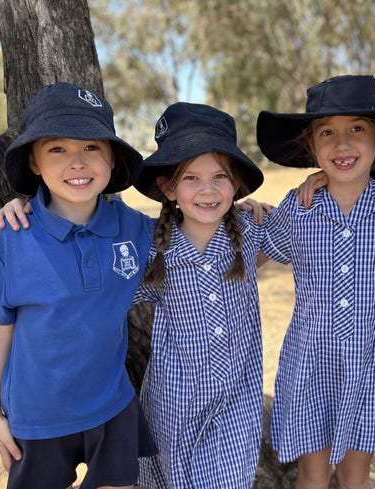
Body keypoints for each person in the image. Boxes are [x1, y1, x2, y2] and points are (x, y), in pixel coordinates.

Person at [0, 82, 157, 489]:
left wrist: (247, 212)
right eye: (57, 150)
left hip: (112, 407)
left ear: (112, 159)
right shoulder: (13, 234)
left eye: (91, 148)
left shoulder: (134, 228)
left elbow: (200, 241)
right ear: (35, 162)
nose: (76, 163)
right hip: (36, 418)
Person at [256, 74, 375, 489]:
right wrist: (234, 212)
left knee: (356, 474)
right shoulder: (298, 208)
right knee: (313, 474)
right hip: (312, 363)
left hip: (373, 362)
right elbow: (247, 259)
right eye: (327, 133)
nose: (342, 143)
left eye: (357, 129)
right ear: (311, 147)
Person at [130, 102, 266, 488]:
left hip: (235, 402)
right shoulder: (152, 250)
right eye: (190, 178)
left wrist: (324, 182)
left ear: (236, 183)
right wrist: (26, 207)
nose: (207, 190)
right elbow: (100, 295)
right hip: (175, 402)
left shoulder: (253, 231)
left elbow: (310, 220)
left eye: (220, 176)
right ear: (167, 188)